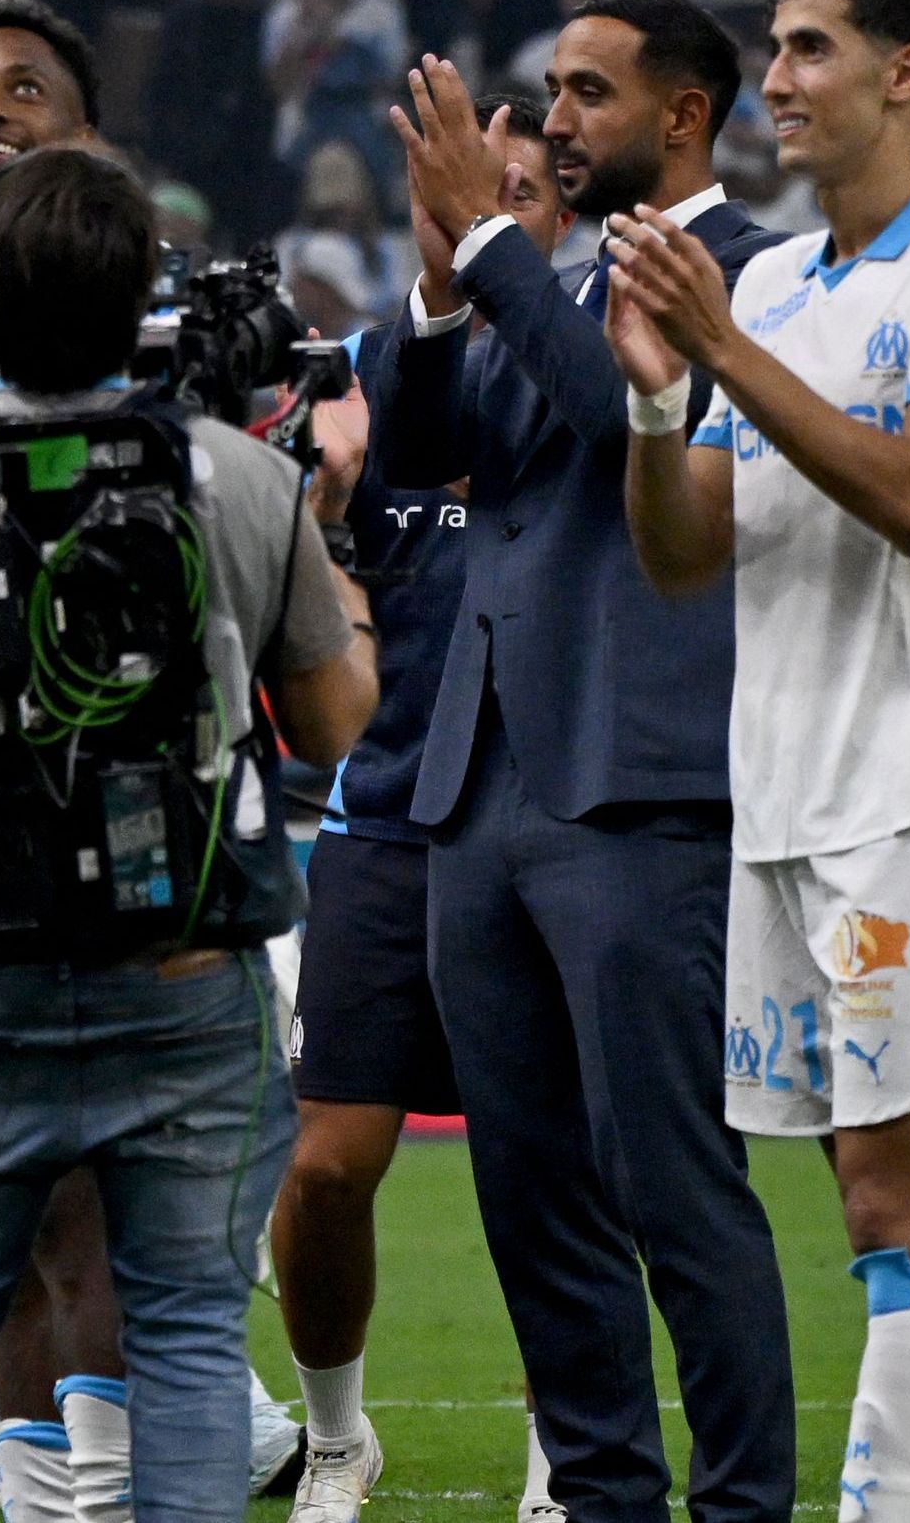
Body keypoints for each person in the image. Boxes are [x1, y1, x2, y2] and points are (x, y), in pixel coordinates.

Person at [0, 149, 376, 1523]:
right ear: (141, 303)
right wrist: (331, 548)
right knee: (180, 1326)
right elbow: (331, 717)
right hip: (181, 969)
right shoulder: (235, 476)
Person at [611, 0, 910, 1523]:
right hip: (785, 792)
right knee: (903, 1208)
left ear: (905, 73)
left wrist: (723, 346)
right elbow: (685, 553)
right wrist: (663, 398)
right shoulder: (784, 284)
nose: (778, 80)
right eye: (771, 49)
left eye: (809, 49)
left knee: (889, 1197)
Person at [367, 6, 795, 1523]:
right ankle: (608, 1498)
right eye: (548, 88)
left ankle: (743, 1505)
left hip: (638, 774)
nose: (552, 116)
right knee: (531, 1195)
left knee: (672, 1179)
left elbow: (634, 410)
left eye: (585, 92)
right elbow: (418, 459)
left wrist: (485, 248)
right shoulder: (524, 276)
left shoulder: (754, 268)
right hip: (478, 782)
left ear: (684, 115)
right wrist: (436, 285)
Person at [266, 99, 543, 1523]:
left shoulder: (581, 362)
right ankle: (334, 1433)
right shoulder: (367, 370)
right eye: (446, 192)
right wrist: (318, 517)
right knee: (325, 1166)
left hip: (545, 813)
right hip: (385, 813)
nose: (463, 212)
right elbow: (314, 611)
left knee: (549, 1164)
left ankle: (568, 1440)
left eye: (499, 192)